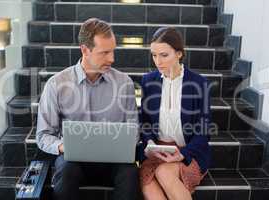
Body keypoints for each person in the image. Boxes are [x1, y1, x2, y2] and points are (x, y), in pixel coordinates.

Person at [36, 18, 141, 200]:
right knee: (66, 170)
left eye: (113, 51)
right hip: (74, 162)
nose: (112, 58)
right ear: (85, 50)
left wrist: (125, 144)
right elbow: (43, 134)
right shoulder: (56, 84)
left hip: (114, 162)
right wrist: (62, 146)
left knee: (130, 173)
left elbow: (134, 131)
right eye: (105, 52)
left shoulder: (125, 83)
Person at [139, 27, 211, 200]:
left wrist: (183, 154)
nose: (158, 61)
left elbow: (204, 131)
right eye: (154, 55)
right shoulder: (149, 81)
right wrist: (149, 143)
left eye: (164, 55)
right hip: (158, 151)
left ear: (179, 53)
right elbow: (145, 121)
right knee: (149, 187)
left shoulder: (199, 83)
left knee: (164, 173)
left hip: (188, 151)